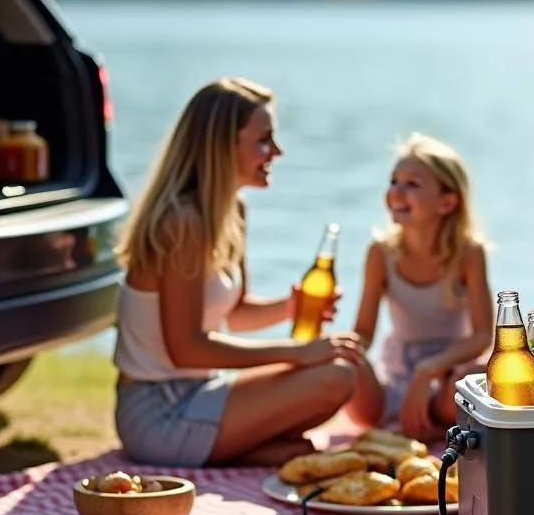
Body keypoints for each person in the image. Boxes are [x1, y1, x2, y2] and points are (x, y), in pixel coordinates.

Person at [112, 77, 360, 468]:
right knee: (334, 377)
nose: (277, 151)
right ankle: (241, 451)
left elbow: (235, 314)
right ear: (222, 147)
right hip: (157, 411)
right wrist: (296, 352)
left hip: (202, 391)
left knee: (343, 370)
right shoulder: (182, 223)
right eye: (264, 140)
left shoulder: (231, 211)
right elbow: (186, 347)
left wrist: (289, 308)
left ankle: (241, 449)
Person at [347, 132, 493, 439]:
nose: (396, 192)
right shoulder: (380, 253)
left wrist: (430, 369)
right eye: (393, 181)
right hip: (396, 378)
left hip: (447, 376)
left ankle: (436, 420)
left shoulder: (469, 253)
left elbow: (482, 335)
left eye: (412, 184)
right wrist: (338, 351)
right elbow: (363, 333)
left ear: (447, 202)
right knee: (345, 366)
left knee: (476, 376)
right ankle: (416, 422)